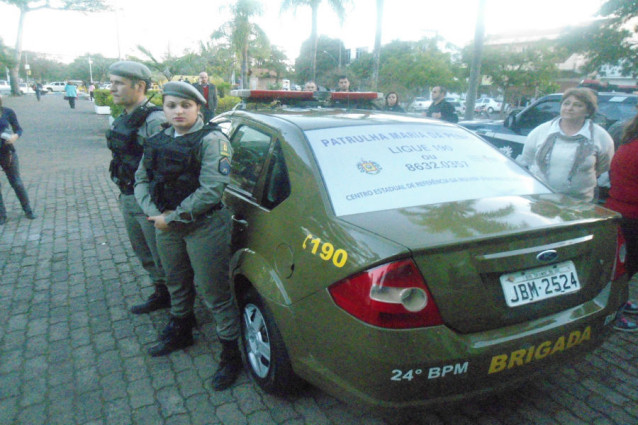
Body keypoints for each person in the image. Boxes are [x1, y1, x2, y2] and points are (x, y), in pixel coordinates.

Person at [134, 82, 242, 390]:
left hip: (203, 226)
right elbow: (141, 178)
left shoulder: (212, 140)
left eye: (186, 105)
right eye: (171, 105)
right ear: (164, 109)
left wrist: (173, 217)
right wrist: (153, 211)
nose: (178, 111)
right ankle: (181, 329)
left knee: (215, 292)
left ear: (199, 108)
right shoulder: (157, 139)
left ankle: (230, 354)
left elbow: (212, 189)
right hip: (166, 224)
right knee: (176, 280)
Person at [106, 61, 168, 315]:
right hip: (128, 195)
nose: (112, 89)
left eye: (118, 83)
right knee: (144, 253)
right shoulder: (124, 117)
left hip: (149, 201)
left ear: (139, 86)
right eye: (111, 83)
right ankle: (162, 294)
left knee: (164, 258)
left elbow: (168, 168)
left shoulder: (155, 121)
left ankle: (181, 310)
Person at [516, 88, 614, 202]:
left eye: (578, 105)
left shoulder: (600, 136)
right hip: (540, 201)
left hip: (580, 204)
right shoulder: (540, 131)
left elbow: (603, 166)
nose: (569, 108)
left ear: (588, 111)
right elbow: (529, 159)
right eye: (566, 103)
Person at [604, 113, 638, 332]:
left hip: (624, 213)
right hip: (630, 216)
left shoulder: (631, 141)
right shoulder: (634, 148)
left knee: (626, 267)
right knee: (623, 269)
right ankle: (612, 312)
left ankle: (621, 303)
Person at [0, 94, 36, 225]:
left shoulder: (7, 112)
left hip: (7, 151)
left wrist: (15, 136)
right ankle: (1, 214)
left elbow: (18, 129)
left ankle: (27, 209)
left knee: (16, 182)